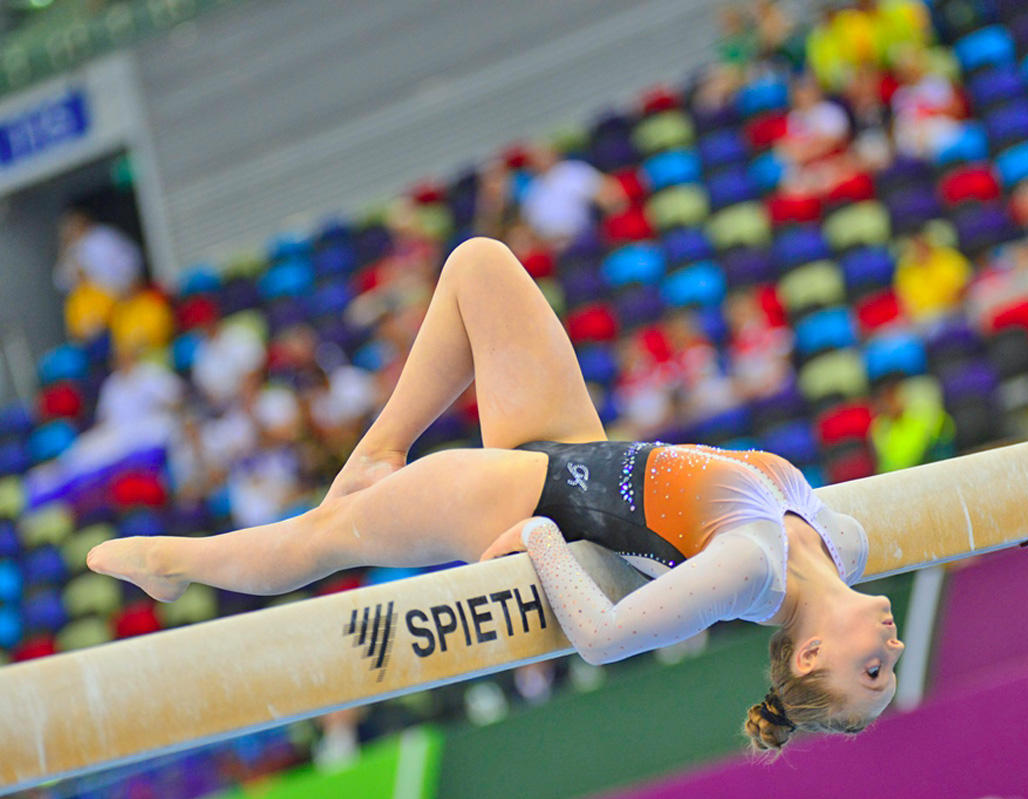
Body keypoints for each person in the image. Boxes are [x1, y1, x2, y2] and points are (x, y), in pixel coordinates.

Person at [86, 237, 903, 751]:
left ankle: (172, 561)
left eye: (872, 669)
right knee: (478, 264)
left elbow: (608, 638)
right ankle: (376, 449)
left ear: (809, 655)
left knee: (320, 539)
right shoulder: (843, 544)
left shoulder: (754, 571)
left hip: (519, 495)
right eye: (889, 666)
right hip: (581, 446)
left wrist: (540, 542)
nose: (892, 648)